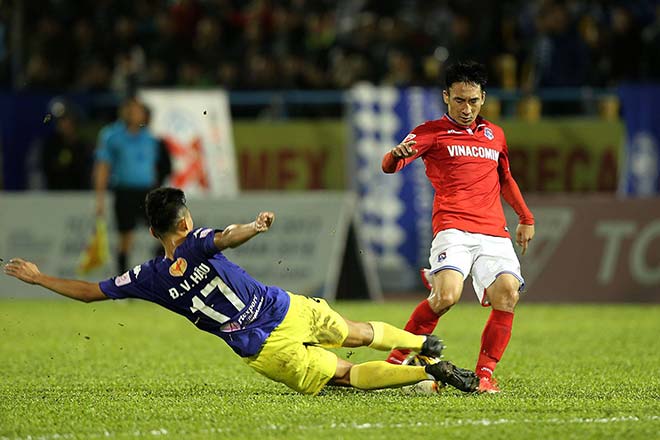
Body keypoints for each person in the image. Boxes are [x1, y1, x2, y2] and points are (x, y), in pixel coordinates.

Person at [3, 187, 479, 396]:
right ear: (185, 220)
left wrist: (40, 277)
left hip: (264, 347)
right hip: (285, 306)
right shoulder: (197, 240)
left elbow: (90, 292)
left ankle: (430, 376)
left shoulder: (147, 276)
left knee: (345, 377)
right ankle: (421, 345)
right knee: (355, 331)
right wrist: (254, 225)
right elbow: (225, 236)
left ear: (153, 232)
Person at [381, 61, 535, 394]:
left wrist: (525, 217)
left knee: (507, 295)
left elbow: (505, 178)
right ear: (446, 97)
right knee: (447, 297)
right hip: (453, 228)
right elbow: (389, 165)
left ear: (483, 99)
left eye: (474, 102)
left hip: (494, 233)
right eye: (460, 101)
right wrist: (395, 156)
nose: (467, 109)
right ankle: (395, 361)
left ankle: (485, 374)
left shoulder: (495, 135)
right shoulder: (430, 131)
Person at [93, 97, 163, 273]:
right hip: (124, 191)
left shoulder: (150, 137)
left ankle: (161, 274)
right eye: (132, 110)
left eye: (139, 110)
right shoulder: (112, 136)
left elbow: (154, 167)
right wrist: (99, 199)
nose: (136, 114)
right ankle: (123, 283)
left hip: (148, 192)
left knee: (163, 233)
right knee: (126, 238)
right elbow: (103, 167)